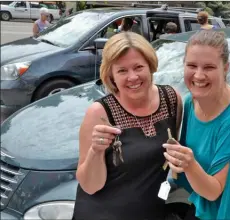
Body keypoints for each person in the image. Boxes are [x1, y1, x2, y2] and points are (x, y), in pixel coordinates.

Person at [72, 32, 183, 220]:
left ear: (150, 66)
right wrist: (95, 151)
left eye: (138, 67)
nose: (132, 77)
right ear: (112, 75)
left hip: (151, 212)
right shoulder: (100, 113)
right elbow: (90, 186)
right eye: (122, 71)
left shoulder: (171, 99)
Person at [163, 30, 230, 220]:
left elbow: (215, 192)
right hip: (201, 199)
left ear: (225, 68)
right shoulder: (190, 102)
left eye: (209, 67)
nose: (199, 75)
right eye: (192, 65)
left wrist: (189, 165)